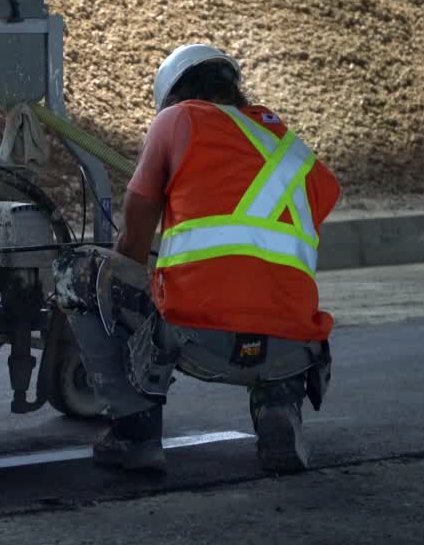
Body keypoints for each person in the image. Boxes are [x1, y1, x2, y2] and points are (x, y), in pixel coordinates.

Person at [52, 43, 339, 473]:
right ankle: (279, 408)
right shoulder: (295, 153)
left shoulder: (177, 119)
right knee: (272, 299)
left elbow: (131, 248)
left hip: (199, 339)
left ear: (172, 95)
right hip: (291, 346)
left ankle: (136, 434)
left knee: (76, 273)